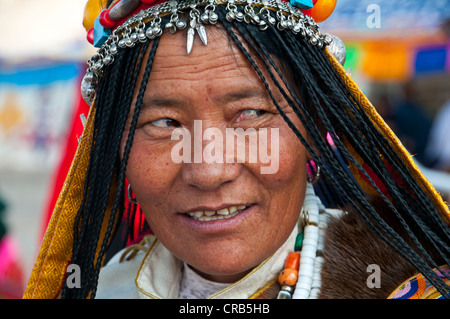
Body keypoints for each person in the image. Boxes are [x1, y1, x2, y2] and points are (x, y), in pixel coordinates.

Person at [24, 0, 449, 299]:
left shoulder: (400, 285)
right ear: (115, 147)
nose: (209, 171)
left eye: (249, 114)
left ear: (315, 129)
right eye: (164, 123)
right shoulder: (104, 288)